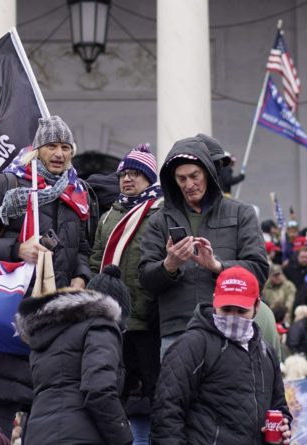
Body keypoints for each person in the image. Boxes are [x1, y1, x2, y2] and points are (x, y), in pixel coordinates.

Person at [0, 115, 92, 437]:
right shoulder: (7, 184)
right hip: (11, 313)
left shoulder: (80, 192)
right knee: (5, 403)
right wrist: (17, 249)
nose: (59, 153)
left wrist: (81, 276)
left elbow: (86, 248)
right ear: (37, 149)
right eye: (51, 146)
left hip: (60, 316)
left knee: (49, 408)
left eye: (65, 147)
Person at [139, 136, 268, 357]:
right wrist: (169, 265)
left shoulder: (240, 213)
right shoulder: (158, 221)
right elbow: (145, 278)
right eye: (181, 179)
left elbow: (259, 270)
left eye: (194, 176)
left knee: (227, 391)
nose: (189, 185)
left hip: (230, 328)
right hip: (177, 331)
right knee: (176, 392)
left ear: (207, 173)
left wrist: (218, 266)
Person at [151, 266, 291, 444]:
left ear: (256, 306)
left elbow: (279, 407)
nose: (233, 317)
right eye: (226, 309)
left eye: (241, 311)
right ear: (214, 301)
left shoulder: (266, 353)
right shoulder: (193, 344)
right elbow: (166, 411)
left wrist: (284, 427)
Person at [88, 144, 162, 445]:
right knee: (115, 388)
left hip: (146, 319)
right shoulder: (110, 215)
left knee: (154, 391)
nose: (127, 180)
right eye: (124, 174)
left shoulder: (160, 213)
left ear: (149, 178)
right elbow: (96, 259)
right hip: (113, 319)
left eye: (135, 174)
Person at [15, 269, 133, 445]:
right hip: (80, 435)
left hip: (37, 435)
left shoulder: (48, 333)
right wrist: (124, 436)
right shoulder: (102, 326)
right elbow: (98, 389)